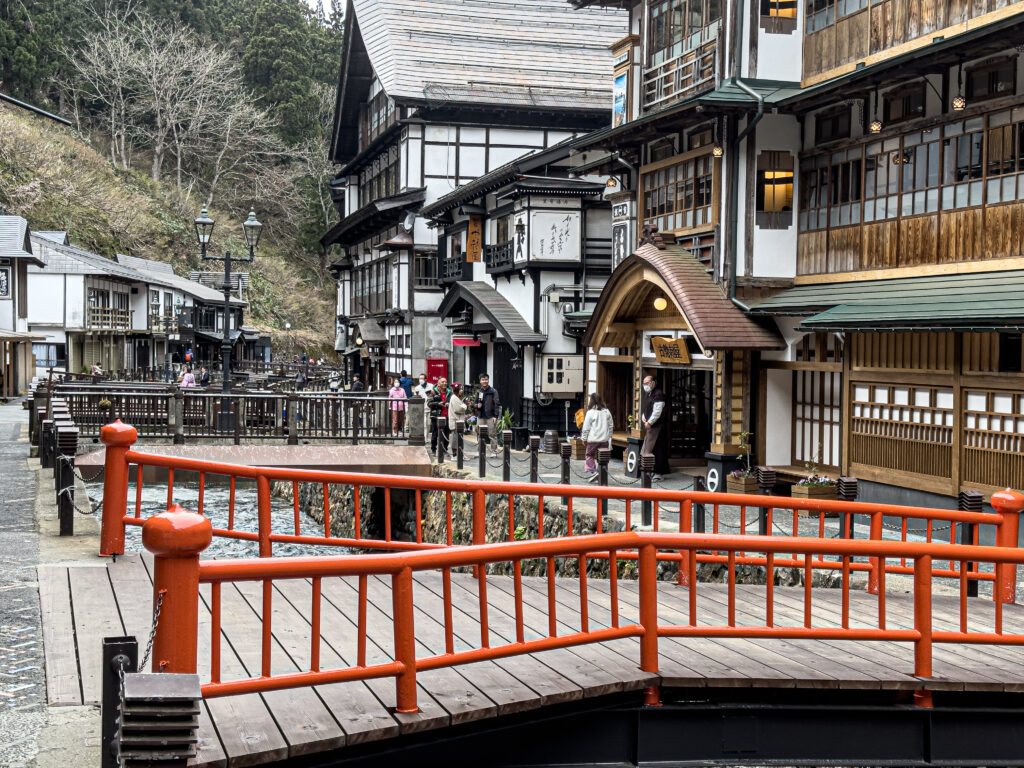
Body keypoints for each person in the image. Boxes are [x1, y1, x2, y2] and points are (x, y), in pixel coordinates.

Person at [640, 374, 670, 479]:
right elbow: (647, 408)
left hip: (658, 427)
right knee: (651, 449)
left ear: (653, 383)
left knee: (658, 449)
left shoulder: (658, 394)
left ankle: (658, 472)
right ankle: (652, 470)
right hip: (651, 426)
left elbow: (657, 411)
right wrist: (644, 417)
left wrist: (650, 422)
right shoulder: (649, 394)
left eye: (647, 383)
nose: (645, 385)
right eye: (643, 383)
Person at [581, 392, 614, 478]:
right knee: (603, 457)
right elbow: (611, 425)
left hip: (593, 439)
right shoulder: (606, 411)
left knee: (589, 455)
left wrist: (584, 438)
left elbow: (586, 427)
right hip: (604, 439)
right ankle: (602, 474)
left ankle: (594, 472)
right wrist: (609, 436)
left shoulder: (590, 412)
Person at [474, 372, 501, 457]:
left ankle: (494, 451)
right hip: (480, 416)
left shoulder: (493, 391)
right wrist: (477, 406)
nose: (485, 381)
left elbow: (497, 404)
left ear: (488, 380)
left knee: (492, 434)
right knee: (480, 434)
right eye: (483, 380)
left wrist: (496, 416)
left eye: (486, 379)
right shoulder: (479, 391)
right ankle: (480, 450)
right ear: (480, 381)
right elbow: (474, 403)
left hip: (490, 416)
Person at [428, 377, 453, 457]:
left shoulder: (450, 392)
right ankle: (433, 449)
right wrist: (437, 404)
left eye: (445, 382)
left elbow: (452, 402)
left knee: (446, 434)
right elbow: (429, 403)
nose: (445, 383)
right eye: (442, 382)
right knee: (435, 433)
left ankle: (444, 449)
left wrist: (449, 404)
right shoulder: (433, 391)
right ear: (438, 383)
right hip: (436, 416)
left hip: (447, 416)